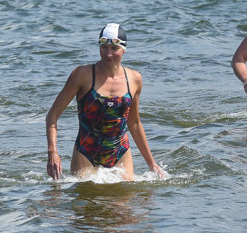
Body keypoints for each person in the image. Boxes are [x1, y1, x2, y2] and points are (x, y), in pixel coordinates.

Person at [45, 23, 164, 181]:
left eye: (114, 48)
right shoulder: (82, 75)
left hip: (121, 153)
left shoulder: (134, 79)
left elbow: (134, 123)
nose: (108, 54)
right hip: (86, 153)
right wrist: (53, 152)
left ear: (124, 50)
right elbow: (52, 116)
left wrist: (152, 164)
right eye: (104, 47)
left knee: (125, 203)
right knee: (87, 203)